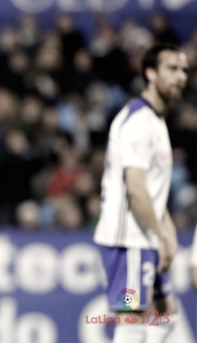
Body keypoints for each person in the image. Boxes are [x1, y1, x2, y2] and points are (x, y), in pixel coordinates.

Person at [94, 43, 188, 343]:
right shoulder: (138, 122)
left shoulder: (156, 120)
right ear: (150, 73)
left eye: (184, 69)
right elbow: (136, 188)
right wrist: (160, 235)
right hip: (130, 239)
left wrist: (168, 230)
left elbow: (153, 189)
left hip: (146, 235)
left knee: (166, 317)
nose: (181, 77)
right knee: (131, 320)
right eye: (172, 69)